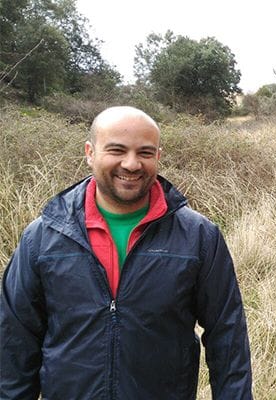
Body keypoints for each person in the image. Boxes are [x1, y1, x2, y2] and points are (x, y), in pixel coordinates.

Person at [0, 106, 253, 399]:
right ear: (90, 152)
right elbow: (15, 342)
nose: (131, 164)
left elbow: (228, 336)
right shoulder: (43, 237)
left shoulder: (199, 237)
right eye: (117, 150)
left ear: (158, 156)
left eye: (145, 152)